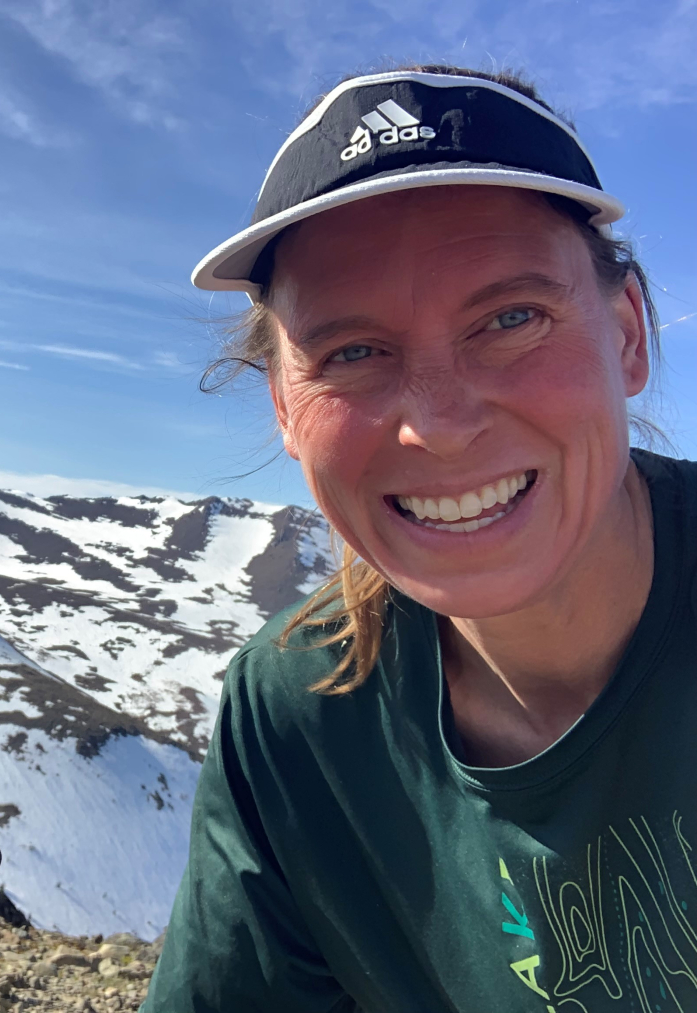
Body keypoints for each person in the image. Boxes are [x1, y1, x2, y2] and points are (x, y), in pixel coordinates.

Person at [143, 65, 691, 1011]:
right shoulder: (296, 717)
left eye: (512, 318)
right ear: (284, 403)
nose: (435, 425)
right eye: (353, 351)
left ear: (629, 333)